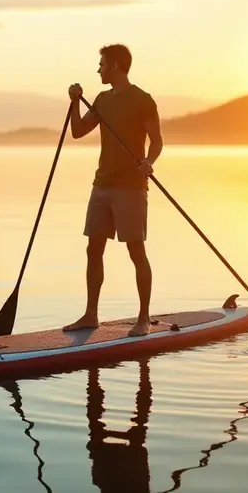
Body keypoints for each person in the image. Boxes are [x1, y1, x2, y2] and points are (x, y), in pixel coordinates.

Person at [63, 44, 163, 336]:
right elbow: (78, 131)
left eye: (102, 64)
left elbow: (157, 141)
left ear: (116, 66)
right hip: (102, 185)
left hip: (130, 187)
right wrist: (75, 102)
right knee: (93, 249)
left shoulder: (143, 100)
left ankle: (143, 318)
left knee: (136, 251)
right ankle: (90, 315)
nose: (99, 70)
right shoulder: (102, 100)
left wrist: (148, 161)